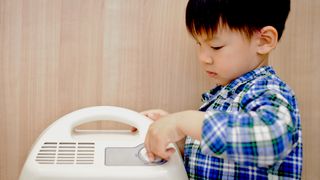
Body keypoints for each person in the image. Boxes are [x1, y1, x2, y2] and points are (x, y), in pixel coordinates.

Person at [142, 0, 302, 179]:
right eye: (198, 44)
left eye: (215, 46)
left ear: (264, 41)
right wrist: (180, 136)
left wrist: (184, 121)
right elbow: (218, 156)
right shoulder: (224, 96)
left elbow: (273, 140)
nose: (203, 58)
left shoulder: (267, 89)